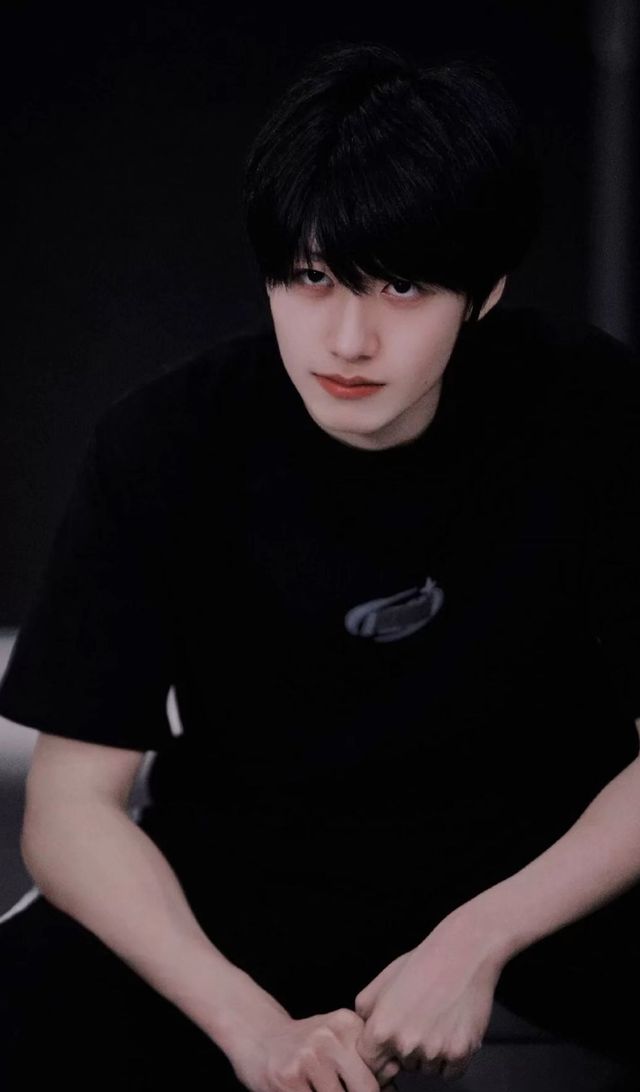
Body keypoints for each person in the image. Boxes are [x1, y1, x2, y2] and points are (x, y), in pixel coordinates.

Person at [0, 38, 639, 1092]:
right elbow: (70, 811)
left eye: (401, 285)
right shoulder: (164, 442)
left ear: (485, 293)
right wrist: (252, 1027)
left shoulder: (589, 407)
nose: (346, 339)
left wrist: (475, 939)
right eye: (311, 278)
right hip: (256, 877)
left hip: (540, 869)